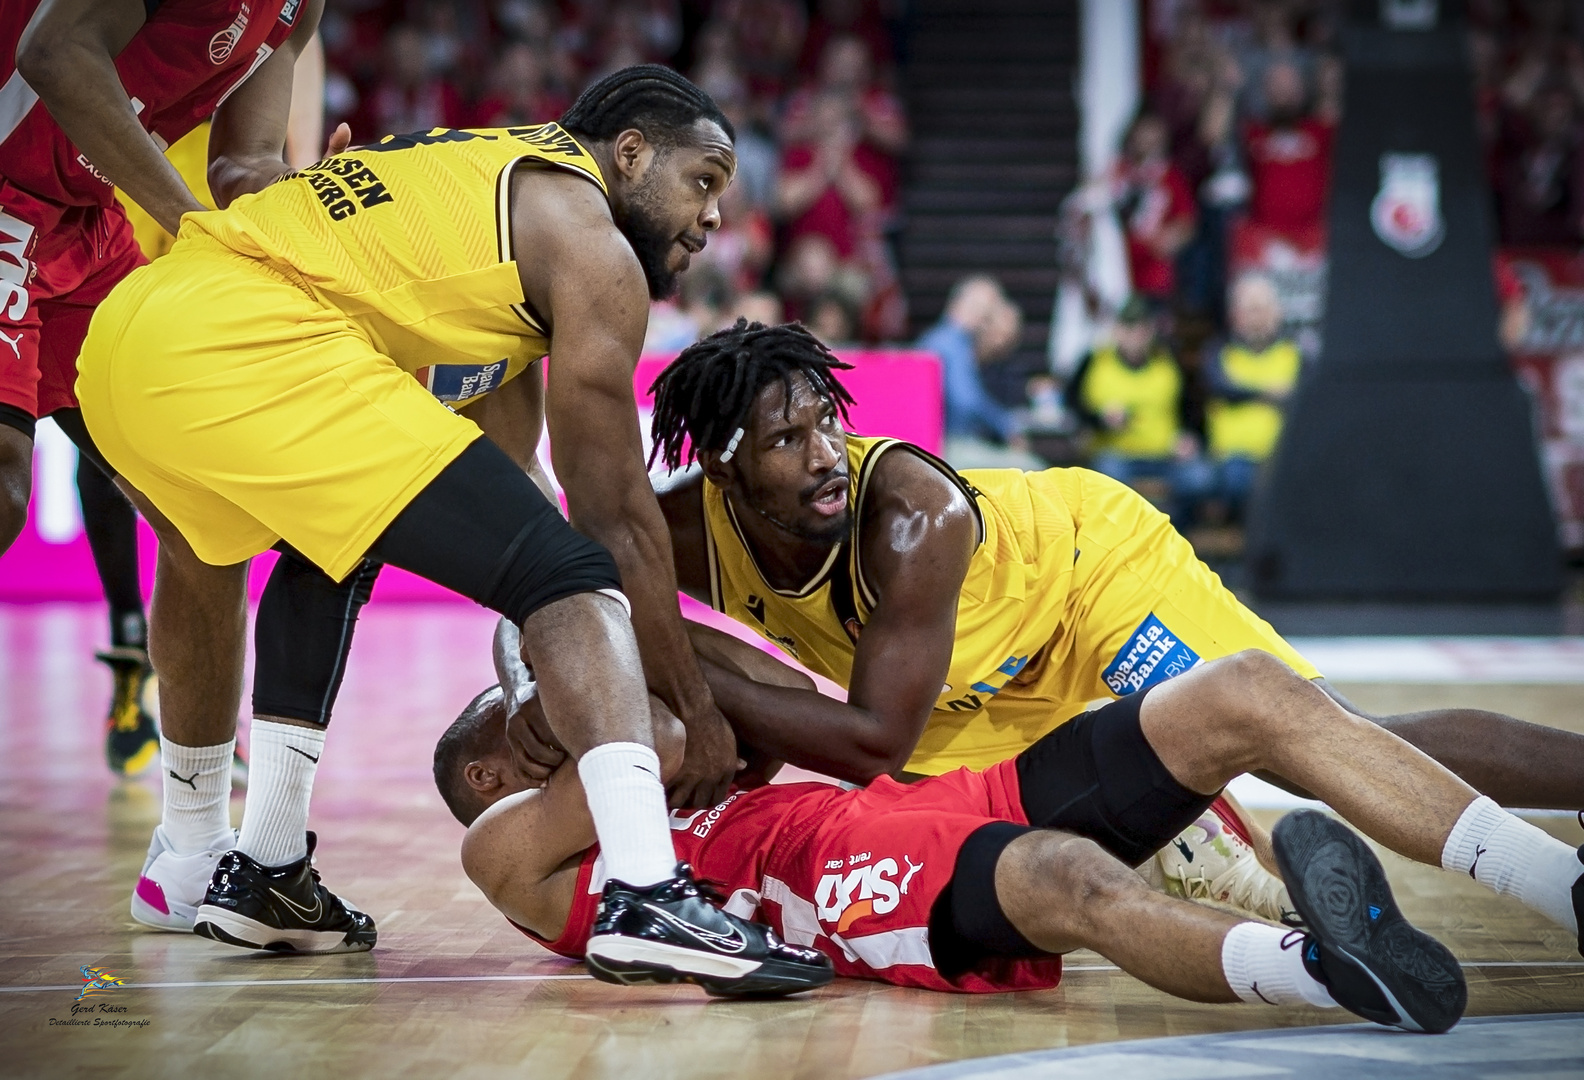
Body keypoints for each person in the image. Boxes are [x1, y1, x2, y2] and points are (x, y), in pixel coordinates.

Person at [79, 66, 829, 996]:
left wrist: (528, 666)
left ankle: (258, 867)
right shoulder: (592, 246)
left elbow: (516, 488)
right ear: (629, 153)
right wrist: (697, 710)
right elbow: (607, 521)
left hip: (128, 347)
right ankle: (648, 894)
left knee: (333, 550)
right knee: (574, 572)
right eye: (704, 180)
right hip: (240, 343)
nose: (714, 217)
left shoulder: (478, 198)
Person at [625, 320, 1584, 817]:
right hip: (959, 696)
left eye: (828, 419)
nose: (826, 454)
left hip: (1088, 586)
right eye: (788, 440)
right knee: (948, 838)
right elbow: (558, 597)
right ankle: (1201, 849)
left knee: (1316, 745)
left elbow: (870, 738)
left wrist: (698, 683)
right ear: (723, 466)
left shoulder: (910, 516)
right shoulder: (683, 530)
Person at [443, 623, 1584, 1022]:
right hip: (847, 893)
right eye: (523, 711)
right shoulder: (508, 851)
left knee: (1248, 690)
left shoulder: (642, 786)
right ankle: (1320, 971)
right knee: (1064, 879)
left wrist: (612, 639)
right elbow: (661, 732)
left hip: (907, 810)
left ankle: (1561, 886)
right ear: (491, 769)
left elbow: (737, 688)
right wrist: (552, 654)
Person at [0, 1, 331, 776]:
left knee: (204, 501)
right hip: (10, 194)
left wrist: (310, 204)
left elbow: (243, 164)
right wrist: (191, 223)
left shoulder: (299, 6)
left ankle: (193, 825)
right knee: (5, 494)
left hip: (85, 222)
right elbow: (54, 53)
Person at [1068, 297, 1214, 528]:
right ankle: (1123, 539)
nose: (1135, 335)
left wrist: (1190, 437)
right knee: (1108, 477)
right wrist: (1100, 420)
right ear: (1116, 330)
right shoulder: (1094, 361)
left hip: (1165, 454)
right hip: (1115, 453)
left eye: (1142, 328)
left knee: (1199, 478)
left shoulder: (1169, 362)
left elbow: (1192, 406)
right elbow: (1073, 404)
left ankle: (1172, 531)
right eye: (1129, 327)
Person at [918, 275, 1045, 473]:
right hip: (949, 445)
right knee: (1032, 469)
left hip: (949, 443)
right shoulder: (949, 342)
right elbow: (965, 400)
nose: (988, 320)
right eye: (987, 311)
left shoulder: (945, 341)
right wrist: (1004, 424)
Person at [1204, 274, 1301, 521]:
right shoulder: (1219, 352)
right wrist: (1270, 392)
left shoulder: (1296, 354)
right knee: (1238, 482)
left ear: (1277, 312)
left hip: (1285, 457)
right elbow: (1221, 388)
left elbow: (1305, 397)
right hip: (1234, 459)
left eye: (1262, 309)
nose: (1256, 318)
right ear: (1235, 315)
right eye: (1250, 310)